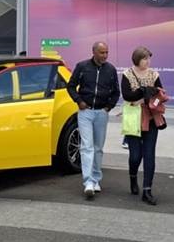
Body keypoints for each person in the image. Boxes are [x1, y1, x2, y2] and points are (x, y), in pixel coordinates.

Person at [66, 41, 120, 200]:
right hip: (85, 112)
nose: (105, 55)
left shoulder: (110, 69)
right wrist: (79, 101)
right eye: (102, 52)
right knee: (86, 147)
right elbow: (71, 86)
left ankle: (96, 179)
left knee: (98, 148)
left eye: (107, 52)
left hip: (101, 112)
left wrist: (108, 107)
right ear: (94, 52)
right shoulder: (82, 67)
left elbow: (116, 92)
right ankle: (88, 182)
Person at [120, 46, 166, 206]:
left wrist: (153, 99)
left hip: (151, 117)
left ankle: (147, 190)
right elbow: (127, 95)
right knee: (135, 155)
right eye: (145, 58)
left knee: (149, 154)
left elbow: (160, 94)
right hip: (133, 117)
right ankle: (133, 178)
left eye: (149, 58)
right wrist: (144, 91)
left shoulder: (154, 74)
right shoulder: (127, 74)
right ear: (137, 59)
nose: (148, 61)